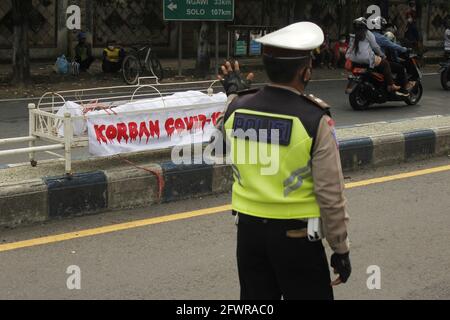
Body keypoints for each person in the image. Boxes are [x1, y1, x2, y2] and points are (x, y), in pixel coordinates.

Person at [216, 21, 351, 300]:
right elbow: (330, 193)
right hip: (297, 238)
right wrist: (340, 249)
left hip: (249, 236)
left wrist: (234, 90)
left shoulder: (236, 108)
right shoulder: (315, 120)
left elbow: (221, 129)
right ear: (306, 71)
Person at [346, 17, 401, 93]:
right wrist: (382, 55)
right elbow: (375, 47)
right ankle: (391, 85)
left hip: (353, 58)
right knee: (385, 63)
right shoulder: (368, 33)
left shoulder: (352, 34)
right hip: (366, 59)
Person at [370, 16, 416, 91]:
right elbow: (393, 46)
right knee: (400, 68)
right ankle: (403, 87)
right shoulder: (381, 37)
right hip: (378, 60)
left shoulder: (370, 35)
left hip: (369, 60)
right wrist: (404, 49)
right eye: (384, 26)